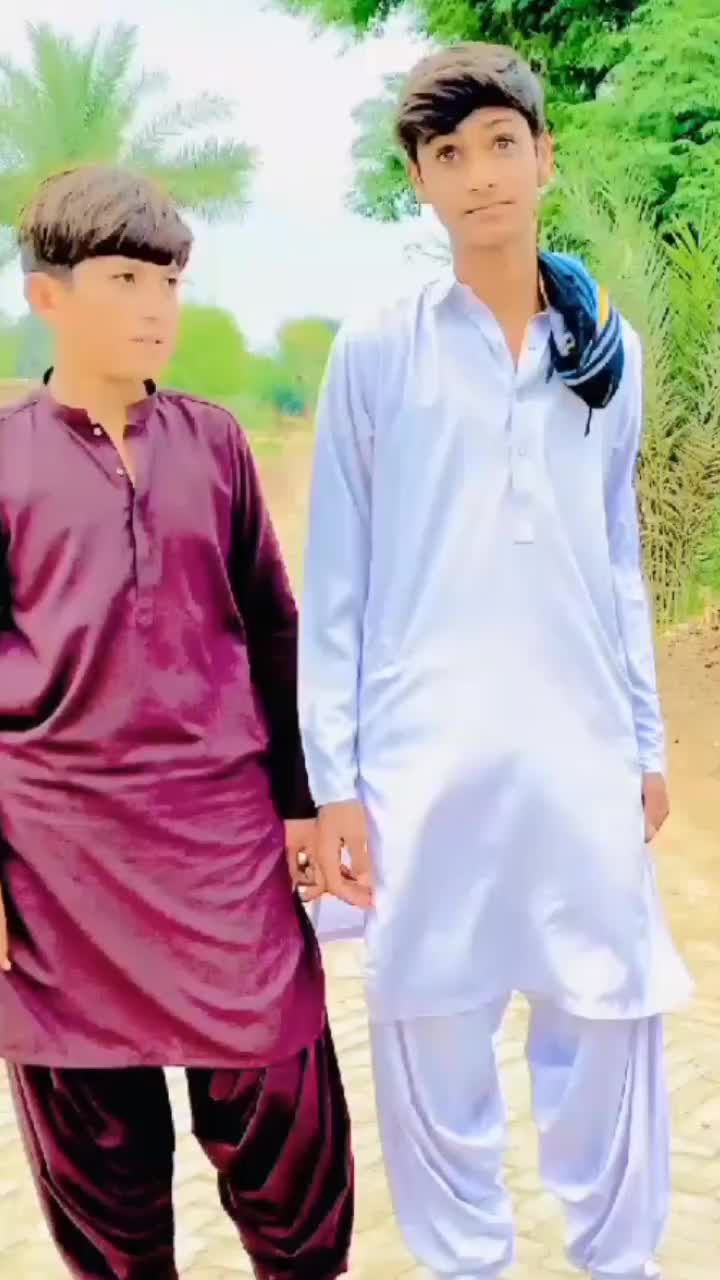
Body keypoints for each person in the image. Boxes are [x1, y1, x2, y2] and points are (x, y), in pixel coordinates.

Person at [299, 43, 692, 1280]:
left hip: (580, 753)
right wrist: (334, 782)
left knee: (609, 1015)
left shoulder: (606, 355)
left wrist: (645, 739)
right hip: (423, 769)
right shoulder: (379, 349)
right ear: (419, 181)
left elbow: (617, 557)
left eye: (501, 145)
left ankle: (615, 1261)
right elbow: (338, 578)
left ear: (544, 157)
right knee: (432, 1030)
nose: (480, 175)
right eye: (449, 154)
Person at [0, 165, 352, 1280]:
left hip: (222, 849)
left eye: (170, 281)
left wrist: (302, 801)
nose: (157, 305)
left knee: (292, 1137)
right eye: (125, 279)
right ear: (47, 296)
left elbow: (274, 625)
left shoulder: (216, 442)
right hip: (56, 865)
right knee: (105, 1196)